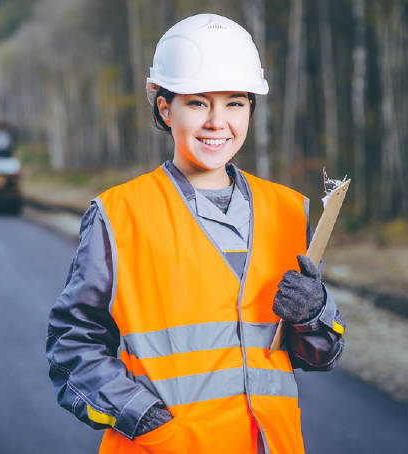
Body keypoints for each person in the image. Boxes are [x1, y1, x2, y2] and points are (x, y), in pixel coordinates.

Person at [46, 13, 345, 454]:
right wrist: (142, 417)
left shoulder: (287, 210)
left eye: (235, 103)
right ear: (165, 109)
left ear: (251, 109)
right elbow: (72, 343)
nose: (217, 122)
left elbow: (316, 355)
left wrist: (315, 314)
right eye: (198, 102)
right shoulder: (120, 215)